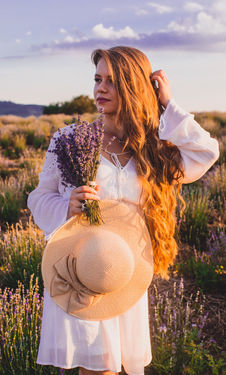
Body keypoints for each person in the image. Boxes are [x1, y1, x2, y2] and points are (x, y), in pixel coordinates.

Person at [27, 46, 219, 375]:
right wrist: (67, 205)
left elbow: (206, 151)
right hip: (81, 271)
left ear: (134, 86)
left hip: (124, 275)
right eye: (97, 79)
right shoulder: (70, 139)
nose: (100, 88)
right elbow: (38, 197)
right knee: (99, 368)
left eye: (112, 81)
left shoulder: (152, 146)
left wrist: (167, 105)